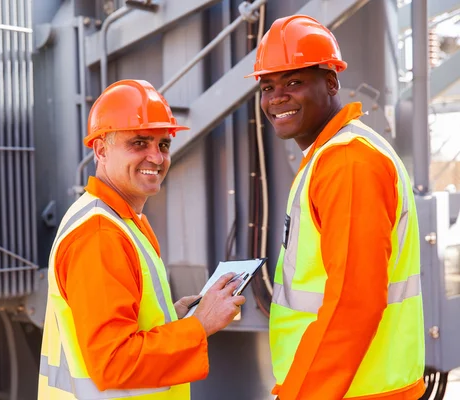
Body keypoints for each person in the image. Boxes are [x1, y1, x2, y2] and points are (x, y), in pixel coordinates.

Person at [245, 15, 426, 400]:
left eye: (294, 82)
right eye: (268, 86)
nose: (277, 98)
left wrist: (302, 394)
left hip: (355, 391)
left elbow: (353, 302)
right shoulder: (330, 156)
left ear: (331, 82)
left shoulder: (348, 163)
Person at [38, 79, 246, 400]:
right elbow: (114, 364)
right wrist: (199, 325)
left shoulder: (123, 222)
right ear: (101, 150)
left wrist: (172, 317)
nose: (157, 157)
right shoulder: (99, 234)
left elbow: (123, 329)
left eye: (163, 144)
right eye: (139, 143)